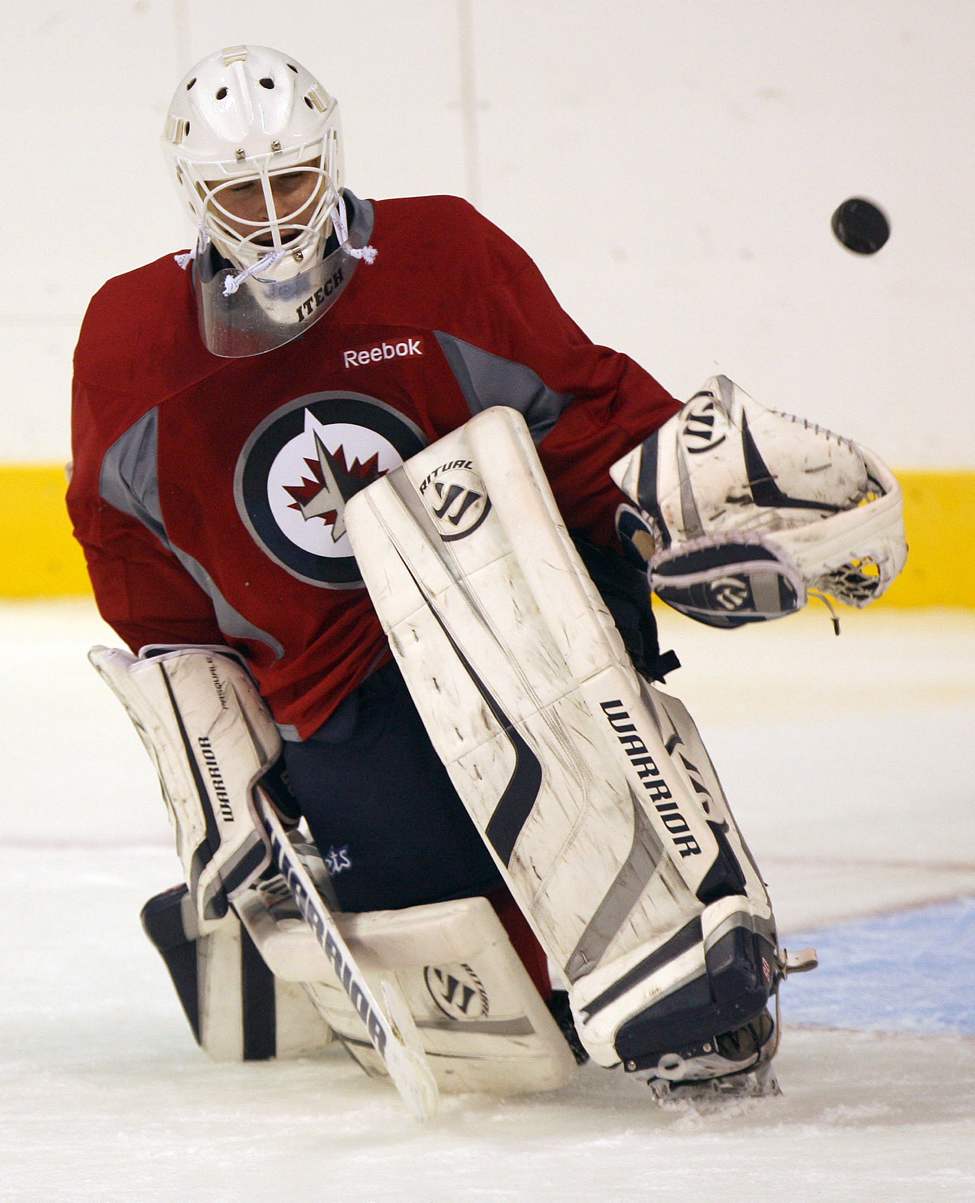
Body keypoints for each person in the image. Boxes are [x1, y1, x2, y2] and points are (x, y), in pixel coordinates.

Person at [68, 44, 904, 1097]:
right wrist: (222, 758)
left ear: (331, 162)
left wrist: (668, 515)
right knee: (503, 984)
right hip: (339, 694)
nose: (274, 213)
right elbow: (137, 563)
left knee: (573, 779)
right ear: (197, 194)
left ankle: (690, 952)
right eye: (243, 189)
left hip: (516, 603)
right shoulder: (130, 346)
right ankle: (296, 907)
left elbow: (581, 419)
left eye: (290, 178)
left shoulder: (442, 256)